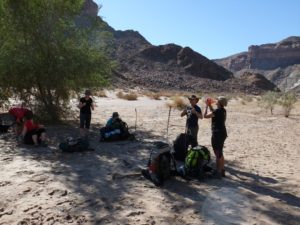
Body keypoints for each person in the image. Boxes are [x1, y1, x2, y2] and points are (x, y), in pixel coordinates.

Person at [204, 96, 228, 178]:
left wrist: (207, 106)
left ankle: (218, 172)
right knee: (220, 151)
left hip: (217, 134)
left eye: (217, 100)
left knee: (217, 152)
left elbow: (206, 116)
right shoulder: (223, 110)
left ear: (220, 102)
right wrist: (210, 105)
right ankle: (222, 170)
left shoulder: (218, 111)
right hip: (222, 133)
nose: (216, 101)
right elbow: (213, 112)